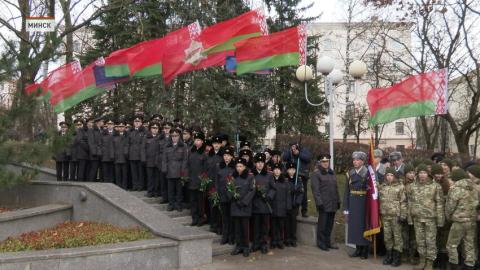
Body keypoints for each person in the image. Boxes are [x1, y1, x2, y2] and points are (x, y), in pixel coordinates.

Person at [409, 164, 444, 270]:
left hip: (430, 219)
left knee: (430, 241)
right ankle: (422, 260)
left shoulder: (435, 186)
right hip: (417, 218)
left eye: (424, 172)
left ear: (428, 174)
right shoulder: (413, 186)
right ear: (417, 174)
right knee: (420, 241)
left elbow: (439, 203)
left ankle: (430, 263)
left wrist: (440, 219)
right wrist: (410, 217)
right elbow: (410, 202)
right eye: (420, 173)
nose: (422, 175)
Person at [445, 169, 479, 270]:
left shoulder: (455, 188)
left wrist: (448, 217)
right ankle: (469, 266)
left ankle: (454, 266)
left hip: (459, 221)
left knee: (452, 245)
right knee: (469, 244)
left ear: (455, 178)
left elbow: (450, 206)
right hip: (472, 221)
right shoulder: (474, 187)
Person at [311, 154, 340, 251]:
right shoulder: (317, 174)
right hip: (323, 204)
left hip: (332, 203)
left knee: (329, 225)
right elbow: (316, 191)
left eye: (327, 161)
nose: (325, 163)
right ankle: (321, 243)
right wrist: (319, 203)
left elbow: (336, 188)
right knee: (322, 225)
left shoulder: (332, 173)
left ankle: (328, 242)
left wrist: (338, 200)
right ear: (320, 163)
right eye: (323, 162)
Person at [344, 151, 370, 259]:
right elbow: (346, 191)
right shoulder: (349, 173)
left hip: (363, 202)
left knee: (363, 226)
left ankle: (365, 249)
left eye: (358, 160)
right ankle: (358, 248)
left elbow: (372, 190)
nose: (355, 162)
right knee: (354, 227)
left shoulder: (368, 173)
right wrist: (346, 208)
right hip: (353, 202)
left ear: (363, 161)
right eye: (354, 160)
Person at [379, 167, 407, 267]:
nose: (389, 177)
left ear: (394, 176)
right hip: (385, 215)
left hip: (396, 216)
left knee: (397, 237)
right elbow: (379, 200)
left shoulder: (400, 187)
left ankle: (397, 258)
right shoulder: (383, 186)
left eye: (391, 175)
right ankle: (389, 256)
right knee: (387, 237)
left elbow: (403, 202)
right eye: (388, 175)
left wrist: (403, 215)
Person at [230, 157, 256, 257]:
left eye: (241, 166)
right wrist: (234, 198)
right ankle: (238, 246)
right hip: (235, 206)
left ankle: (246, 247)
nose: (239, 168)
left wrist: (244, 202)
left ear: (245, 167)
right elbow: (230, 188)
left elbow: (252, 191)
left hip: (245, 206)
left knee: (245, 228)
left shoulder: (250, 177)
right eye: (237, 166)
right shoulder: (233, 176)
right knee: (237, 228)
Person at [251, 152, 275, 254]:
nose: (260, 164)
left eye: (262, 162)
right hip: (255, 204)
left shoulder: (269, 175)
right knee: (256, 225)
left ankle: (264, 244)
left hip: (265, 204)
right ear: (255, 163)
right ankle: (256, 243)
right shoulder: (251, 175)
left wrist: (269, 196)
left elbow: (273, 189)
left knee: (265, 226)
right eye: (258, 162)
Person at [162, 128, 189, 212]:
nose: (174, 137)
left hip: (179, 170)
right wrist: (164, 168)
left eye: (176, 136)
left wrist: (183, 170)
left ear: (179, 136)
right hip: (169, 170)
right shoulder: (167, 145)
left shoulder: (183, 146)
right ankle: (171, 204)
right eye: (172, 136)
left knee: (179, 189)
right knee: (170, 189)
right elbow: (164, 159)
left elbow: (185, 159)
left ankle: (179, 205)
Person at [283, 142, 312, 217]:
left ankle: (304, 210)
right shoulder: (289, 151)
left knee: (303, 193)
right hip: (291, 175)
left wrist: (299, 154)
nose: (294, 147)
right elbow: (284, 158)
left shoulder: (304, 150)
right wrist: (290, 151)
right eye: (292, 146)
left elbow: (308, 158)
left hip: (302, 175)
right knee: (291, 191)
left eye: (295, 146)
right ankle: (292, 208)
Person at [216, 146, 236, 244]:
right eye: (224, 155)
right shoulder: (219, 166)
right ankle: (225, 236)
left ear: (232, 157)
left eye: (228, 155)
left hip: (232, 197)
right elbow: (217, 181)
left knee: (232, 217)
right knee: (224, 218)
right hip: (222, 196)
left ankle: (232, 237)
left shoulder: (235, 167)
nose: (226, 157)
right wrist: (218, 193)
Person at [187, 132, 207, 226]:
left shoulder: (204, 154)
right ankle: (194, 218)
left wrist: (203, 180)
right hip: (192, 180)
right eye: (195, 140)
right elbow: (188, 164)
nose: (197, 141)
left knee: (200, 202)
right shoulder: (191, 151)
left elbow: (206, 169)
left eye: (199, 140)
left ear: (202, 141)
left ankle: (201, 218)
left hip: (200, 182)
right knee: (193, 201)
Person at [271, 163, 291, 249]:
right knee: (273, 225)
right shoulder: (271, 181)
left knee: (280, 225)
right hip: (273, 207)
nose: (276, 171)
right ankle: (273, 241)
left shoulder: (285, 182)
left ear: (281, 171)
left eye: (278, 169)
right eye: (275, 169)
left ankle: (280, 241)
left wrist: (288, 207)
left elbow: (288, 195)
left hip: (282, 208)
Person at [207, 135, 224, 234]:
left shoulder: (223, 156)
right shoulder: (209, 155)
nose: (216, 145)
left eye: (218, 143)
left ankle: (219, 226)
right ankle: (213, 224)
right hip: (211, 184)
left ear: (221, 144)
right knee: (212, 206)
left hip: (220, 185)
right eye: (214, 143)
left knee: (220, 207)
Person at [401, 164, 418, 265]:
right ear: (405, 174)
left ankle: (412, 256)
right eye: (409, 173)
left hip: (415, 214)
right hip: (405, 214)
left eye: (413, 173)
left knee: (414, 237)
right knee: (404, 235)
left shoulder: (417, 184)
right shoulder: (402, 184)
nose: (411, 175)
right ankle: (404, 254)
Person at [285, 162, 304, 247]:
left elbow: (301, 192)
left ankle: (293, 239)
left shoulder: (298, 179)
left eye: (293, 169)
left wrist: (298, 202)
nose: (291, 171)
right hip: (287, 204)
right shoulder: (285, 179)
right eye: (290, 169)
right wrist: (292, 189)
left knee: (293, 222)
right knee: (287, 222)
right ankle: (287, 238)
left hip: (294, 204)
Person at [141, 122, 161, 198]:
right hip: (149, 160)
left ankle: (156, 192)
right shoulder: (146, 137)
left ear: (158, 129)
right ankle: (150, 191)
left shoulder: (160, 137)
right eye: (153, 128)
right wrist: (143, 158)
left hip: (158, 161)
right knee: (150, 177)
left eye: (156, 128)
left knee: (157, 177)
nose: (154, 130)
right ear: (150, 129)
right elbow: (143, 149)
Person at [128, 116, 147, 190]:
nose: (137, 123)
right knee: (133, 172)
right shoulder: (130, 131)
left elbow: (144, 145)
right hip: (132, 154)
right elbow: (128, 143)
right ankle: (134, 186)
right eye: (135, 121)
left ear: (141, 123)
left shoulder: (144, 131)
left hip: (140, 155)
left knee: (140, 172)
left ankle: (140, 186)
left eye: (138, 121)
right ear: (133, 123)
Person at [113, 120, 129, 189]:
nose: (121, 128)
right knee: (117, 173)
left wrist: (126, 154)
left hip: (125, 158)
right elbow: (112, 147)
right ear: (118, 127)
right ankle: (118, 187)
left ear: (125, 127)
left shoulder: (127, 136)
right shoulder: (114, 136)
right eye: (120, 126)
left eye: (122, 126)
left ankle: (124, 186)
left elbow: (128, 146)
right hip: (116, 158)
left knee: (125, 174)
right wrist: (113, 155)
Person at [87, 117, 102, 182]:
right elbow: (91, 142)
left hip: (100, 153)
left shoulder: (100, 130)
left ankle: (95, 183)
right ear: (98, 122)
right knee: (93, 169)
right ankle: (91, 183)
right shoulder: (91, 130)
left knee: (97, 170)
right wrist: (94, 152)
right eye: (101, 121)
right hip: (95, 154)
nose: (102, 123)